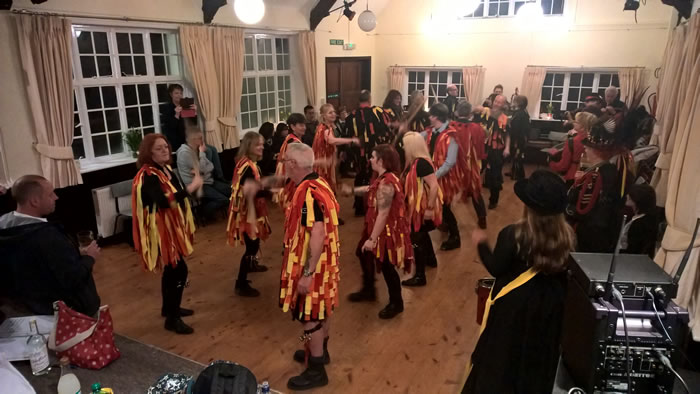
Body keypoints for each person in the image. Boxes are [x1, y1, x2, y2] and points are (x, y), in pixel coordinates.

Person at [463, 170, 575, 394]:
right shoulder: (568, 237)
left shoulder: (514, 234)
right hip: (550, 309)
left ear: (529, 207)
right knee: (536, 363)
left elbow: (496, 267)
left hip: (514, 311)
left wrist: (481, 244)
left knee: (503, 361)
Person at [280, 143, 340, 390]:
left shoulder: (307, 192)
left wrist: (307, 272)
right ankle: (320, 351)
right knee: (321, 308)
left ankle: (316, 369)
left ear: (293, 164)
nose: (283, 164)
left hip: (314, 265)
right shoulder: (320, 183)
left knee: (310, 315)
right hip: (325, 264)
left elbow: (317, 233)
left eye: (285, 160)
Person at [0, 175, 101, 317]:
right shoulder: (46, 236)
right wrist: (90, 257)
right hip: (66, 313)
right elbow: (72, 278)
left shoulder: (3, 224)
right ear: (34, 201)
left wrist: (70, 252)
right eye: (50, 194)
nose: (56, 197)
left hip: (25, 309)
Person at [132, 134, 202, 334]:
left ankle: (169, 309)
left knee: (172, 270)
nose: (165, 150)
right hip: (160, 230)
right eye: (159, 148)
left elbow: (175, 195)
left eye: (166, 146)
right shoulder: (148, 176)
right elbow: (163, 202)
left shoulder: (164, 169)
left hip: (172, 227)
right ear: (148, 152)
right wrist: (190, 188)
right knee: (179, 270)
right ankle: (172, 318)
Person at [348, 145, 413, 319]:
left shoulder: (387, 182)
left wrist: (372, 239)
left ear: (381, 161)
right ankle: (369, 289)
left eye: (373, 157)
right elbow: (372, 190)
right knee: (362, 253)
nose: (370, 159)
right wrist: (352, 191)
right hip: (377, 227)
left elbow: (383, 213)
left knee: (386, 265)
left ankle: (396, 303)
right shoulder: (384, 179)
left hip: (386, 232)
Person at [565, 124, 629, 253]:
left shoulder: (596, 176)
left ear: (596, 152)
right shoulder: (607, 170)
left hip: (591, 232)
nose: (585, 150)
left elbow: (582, 210)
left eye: (587, 148)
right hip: (604, 228)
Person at [226, 132, 271, 297]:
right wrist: (273, 193)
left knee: (255, 241)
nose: (261, 147)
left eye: (262, 144)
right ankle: (241, 283)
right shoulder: (247, 167)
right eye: (257, 145)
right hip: (247, 213)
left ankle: (251, 265)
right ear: (248, 147)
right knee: (251, 246)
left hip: (251, 210)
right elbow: (249, 191)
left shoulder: (249, 164)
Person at [400, 132, 442, 286]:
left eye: (405, 145)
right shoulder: (415, 162)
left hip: (420, 208)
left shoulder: (421, 164)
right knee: (421, 235)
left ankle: (419, 276)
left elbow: (434, 186)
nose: (403, 148)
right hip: (416, 206)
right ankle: (431, 260)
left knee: (416, 238)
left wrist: (430, 209)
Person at [422, 103, 465, 250]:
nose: (428, 117)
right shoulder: (430, 132)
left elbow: (449, 162)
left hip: (444, 178)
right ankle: (442, 228)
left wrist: (434, 176)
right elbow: (417, 138)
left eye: (430, 115)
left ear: (435, 117)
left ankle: (455, 236)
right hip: (433, 176)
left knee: (444, 205)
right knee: (438, 205)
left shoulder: (451, 135)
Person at [160, 84, 223, 179]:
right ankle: (206, 177)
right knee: (208, 151)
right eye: (176, 93)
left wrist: (195, 112)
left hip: (189, 139)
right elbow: (170, 128)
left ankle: (219, 177)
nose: (179, 95)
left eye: (181, 93)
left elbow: (192, 124)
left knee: (213, 149)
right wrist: (176, 114)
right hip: (178, 141)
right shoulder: (167, 108)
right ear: (171, 94)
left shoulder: (185, 105)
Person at [344, 90, 392, 215]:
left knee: (360, 177)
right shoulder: (378, 113)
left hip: (358, 154)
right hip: (375, 153)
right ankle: (372, 204)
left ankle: (359, 207)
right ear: (370, 99)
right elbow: (387, 129)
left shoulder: (351, 117)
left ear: (358, 100)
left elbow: (348, 137)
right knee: (374, 177)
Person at [176, 127, 230, 220]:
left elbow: (210, 167)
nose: (202, 141)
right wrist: (201, 154)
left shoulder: (195, 149)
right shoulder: (184, 153)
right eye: (200, 138)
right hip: (195, 185)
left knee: (231, 191)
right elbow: (204, 168)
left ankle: (206, 207)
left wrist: (201, 168)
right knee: (223, 199)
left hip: (206, 180)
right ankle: (201, 213)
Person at [450, 100, 488, 230]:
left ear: (457, 112)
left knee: (449, 190)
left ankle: (446, 222)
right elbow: (481, 148)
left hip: (455, 165)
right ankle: (482, 218)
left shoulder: (451, 127)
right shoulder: (478, 128)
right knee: (476, 190)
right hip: (472, 165)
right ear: (470, 113)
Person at [312, 104, 359, 195]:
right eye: (330, 113)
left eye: (334, 112)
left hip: (327, 162)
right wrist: (351, 140)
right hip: (323, 164)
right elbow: (332, 141)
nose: (333, 114)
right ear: (324, 116)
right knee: (325, 189)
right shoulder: (324, 129)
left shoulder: (326, 127)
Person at [475, 95, 510, 209]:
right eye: (496, 101)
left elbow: (508, 135)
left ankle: (493, 201)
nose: (497, 104)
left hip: (496, 150)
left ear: (504, 104)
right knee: (477, 171)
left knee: (495, 175)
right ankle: (472, 192)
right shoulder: (485, 113)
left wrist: (507, 148)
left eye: (500, 102)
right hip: (483, 147)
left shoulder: (504, 118)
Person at [549, 112, 597, 187]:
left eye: (576, 122)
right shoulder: (596, 140)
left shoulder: (573, 141)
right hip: (591, 177)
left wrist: (551, 162)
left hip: (573, 176)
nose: (573, 122)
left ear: (583, 126)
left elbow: (563, 166)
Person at [275, 113, 306, 209]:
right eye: (301, 125)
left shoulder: (289, 138)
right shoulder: (294, 142)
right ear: (292, 126)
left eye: (304, 125)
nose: (304, 127)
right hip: (292, 183)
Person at [620, 184, 658, 258]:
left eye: (631, 195)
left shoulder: (640, 224)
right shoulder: (645, 218)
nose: (627, 196)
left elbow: (633, 249)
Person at [508, 95, 529, 181]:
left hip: (518, 138)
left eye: (514, 101)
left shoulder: (521, 114)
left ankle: (518, 174)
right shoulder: (520, 112)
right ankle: (513, 171)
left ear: (518, 103)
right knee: (515, 155)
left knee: (517, 156)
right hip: (518, 137)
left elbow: (517, 128)